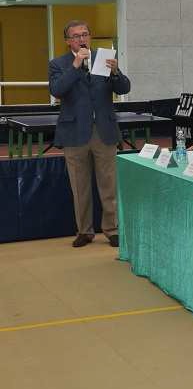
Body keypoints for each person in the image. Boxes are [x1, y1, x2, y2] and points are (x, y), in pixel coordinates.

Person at [48, 20, 131, 248]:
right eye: (76, 36)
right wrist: (75, 65)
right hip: (74, 133)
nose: (81, 39)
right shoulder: (58, 64)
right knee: (80, 187)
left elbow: (124, 88)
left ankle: (112, 229)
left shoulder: (104, 59)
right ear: (68, 41)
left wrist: (115, 72)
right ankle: (84, 231)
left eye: (84, 34)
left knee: (109, 185)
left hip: (104, 131)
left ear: (90, 37)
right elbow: (57, 90)